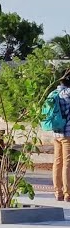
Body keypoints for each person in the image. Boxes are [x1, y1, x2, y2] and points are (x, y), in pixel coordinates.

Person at [48, 73, 70, 202]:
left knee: (57, 162)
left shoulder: (53, 93)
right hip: (68, 132)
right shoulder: (68, 93)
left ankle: (58, 192)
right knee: (67, 162)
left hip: (56, 132)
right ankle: (68, 193)